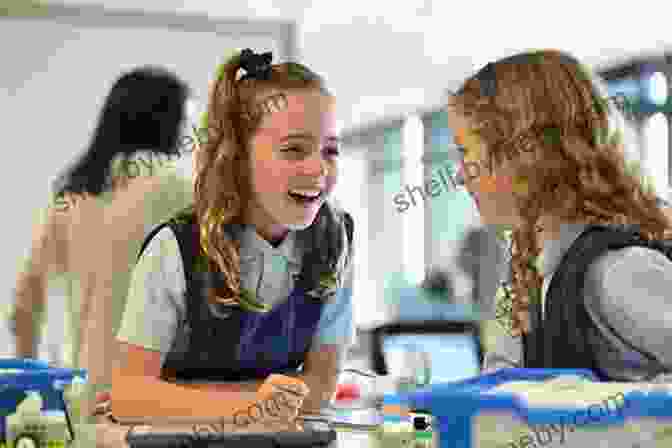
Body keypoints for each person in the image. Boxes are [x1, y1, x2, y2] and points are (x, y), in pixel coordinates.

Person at [111, 49, 356, 423]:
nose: (318, 168)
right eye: (293, 150)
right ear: (237, 157)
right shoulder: (175, 249)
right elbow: (129, 396)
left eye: (331, 150)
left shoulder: (335, 240)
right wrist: (256, 403)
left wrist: (176, 396)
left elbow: (321, 387)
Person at [446, 49, 672, 381]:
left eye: (468, 154)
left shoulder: (618, 273)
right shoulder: (526, 279)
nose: (461, 175)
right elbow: (498, 394)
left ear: (528, 155)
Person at [8, 66, 194, 417]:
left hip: (82, 408)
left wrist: (27, 396)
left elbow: (23, 309)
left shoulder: (72, 197)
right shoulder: (181, 189)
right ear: (170, 125)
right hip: (156, 408)